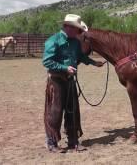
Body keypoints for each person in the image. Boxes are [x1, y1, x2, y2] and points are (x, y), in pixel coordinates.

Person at [42, 14, 104, 153]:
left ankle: (73, 141)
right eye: (77, 29)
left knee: (73, 111)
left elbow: (80, 56)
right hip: (56, 80)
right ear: (68, 27)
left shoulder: (75, 42)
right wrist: (65, 68)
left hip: (70, 81)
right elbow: (47, 61)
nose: (79, 32)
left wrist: (93, 62)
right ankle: (51, 142)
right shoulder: (53, 41)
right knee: (55, 111)